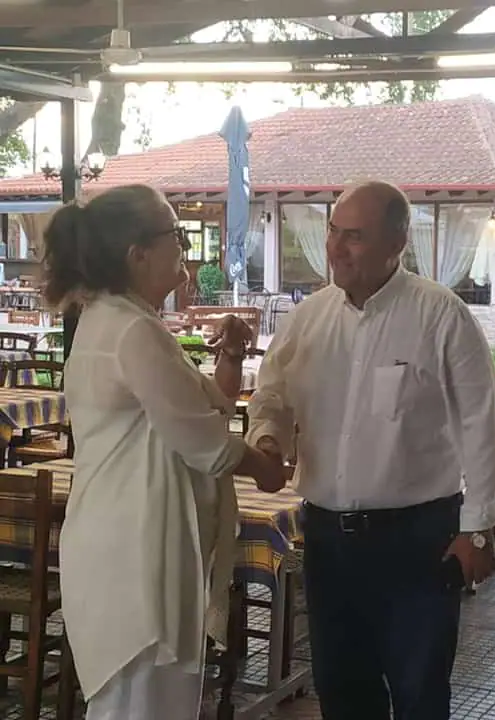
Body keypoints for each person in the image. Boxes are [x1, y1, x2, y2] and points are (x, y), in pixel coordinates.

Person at [247, 180, 495, 720]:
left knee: (419, 696)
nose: (335, 249)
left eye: (355, 237)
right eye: (333, 233)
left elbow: (482, 424)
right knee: (343, 694)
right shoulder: (308, 318)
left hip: (417, 542)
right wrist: (268, 436)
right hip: (327, 542)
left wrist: (478, 530)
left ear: (397, 243)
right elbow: (272, 395)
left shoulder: (440, 315)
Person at [42, 184, 286, 720]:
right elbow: (205, 444)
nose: (185, 246)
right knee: (143, 705)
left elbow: (202, 411)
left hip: (133, 540)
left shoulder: (126, 320)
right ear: (138, 254)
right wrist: (265, 468)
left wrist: (230, 356)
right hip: (136, 551)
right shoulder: (130, 329)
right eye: (175, 234)